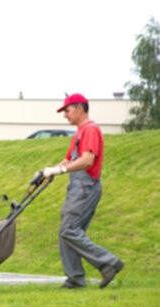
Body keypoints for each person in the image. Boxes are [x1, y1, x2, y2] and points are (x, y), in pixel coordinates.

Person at [41, 93, 123, 289]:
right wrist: (49, 170)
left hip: (85, 187)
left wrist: (59, 170)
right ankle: (76, 279)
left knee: (69, 230)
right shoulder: (79, 133)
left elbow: (87, 160)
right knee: (66, 232)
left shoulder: (90, 130)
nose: (65, 115)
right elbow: (68, 160)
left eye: (67, 111)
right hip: (77, 187)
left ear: (79, 108)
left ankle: (108, 263)